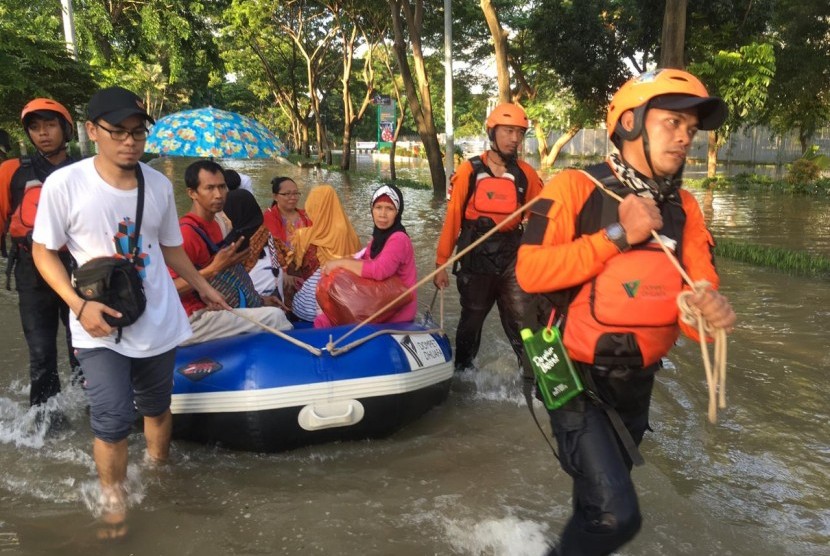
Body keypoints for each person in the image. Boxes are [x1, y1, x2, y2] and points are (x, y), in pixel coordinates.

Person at [515, 69, 737, 556]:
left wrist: (707, 312)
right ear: (631, 122)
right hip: (569, 375)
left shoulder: (686, 210)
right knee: (618, 515)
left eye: (691, 129)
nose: (685, 137)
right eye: (672, 123)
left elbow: (694, 294)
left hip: (638, 381)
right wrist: (619, 235)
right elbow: (530, 272)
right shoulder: (573, 188)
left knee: (595, 506)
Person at [31, 86, 229, 537]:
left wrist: (204, 286)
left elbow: (171, 249)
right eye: (117, 132)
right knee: (112, 418)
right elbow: (44, 253)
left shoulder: (157, 184)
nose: (129, 142)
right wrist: (78, 305)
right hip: (98, 321)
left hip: (156, 316)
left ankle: (159, 471)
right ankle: (114, 496)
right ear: (91, 131)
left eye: (137, 132)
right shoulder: (66, 184)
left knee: (157, 408)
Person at [433, 103, 543, 372]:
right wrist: (441, 263)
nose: (515, 138)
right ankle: (462, 374)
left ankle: (534, 378)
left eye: (519, 132)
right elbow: (453, 218)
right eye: (508, 131)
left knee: (522, 319)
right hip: (475, 257)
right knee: (472, 319)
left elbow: (545, 216)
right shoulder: (469, 172)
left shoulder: (526, 175)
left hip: (511, 260)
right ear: (492, 133)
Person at [0, 99, 80, 409]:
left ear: (66, 129)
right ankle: (47, 422)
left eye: (49, 125)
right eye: (35, 127)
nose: (42, 133)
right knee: (41, 352)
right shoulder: (11, 171)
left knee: (85, 348)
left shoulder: (86, 170)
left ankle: (97, 415)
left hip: (78, 267)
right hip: (31, 270)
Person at [172, 160, 291, 345]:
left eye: (222, 187)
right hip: (190, 318)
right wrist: (214, 268)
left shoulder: (216, 225)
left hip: (214, 307)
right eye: (209, 188)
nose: (219, 195)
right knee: (276, 318)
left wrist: (259, 300)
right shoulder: (185, 233)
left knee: (272, 310)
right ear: (192, 193)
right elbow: (168, 290)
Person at [319, 184, 417, 327]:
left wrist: (340, 263)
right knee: (329, 313)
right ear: (372, 210)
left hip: (396, 311)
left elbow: (379, 270)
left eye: (389, 209)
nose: (382, 214)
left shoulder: (399, 239)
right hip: (380, 300)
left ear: (398, 212)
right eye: (378, 208)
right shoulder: (377, 238)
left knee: (333, 319)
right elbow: (364, 261)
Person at [288, 185, 360, 322]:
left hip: (312, 304)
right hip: (347, 301)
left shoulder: (304, 236)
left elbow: (295, 269)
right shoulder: (352, 234)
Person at [223, 187, 283, 299]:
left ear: (233, 215)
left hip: (251, 309)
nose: (222, 217)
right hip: (276, 305)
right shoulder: (268, 237)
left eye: (223, 212)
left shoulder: (233, 248)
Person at [263, 176, 312, 304]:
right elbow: (273, 246)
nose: (293, 197)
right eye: (287, 194)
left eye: (296, 193)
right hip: (283, 266)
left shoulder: (306, 215)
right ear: (275, 196)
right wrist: (283, 272)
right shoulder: (270, 217)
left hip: (304, 264)